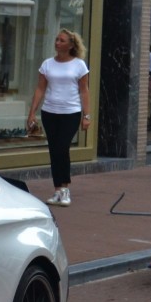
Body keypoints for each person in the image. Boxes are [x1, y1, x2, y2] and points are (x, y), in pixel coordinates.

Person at [25, 29, 91, 207]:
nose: (57, 43)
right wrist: (32, 112)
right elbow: (40, 89)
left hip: (70, 112)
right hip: (49, 112)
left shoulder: (79, 65)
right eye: (56, 40)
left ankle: (65, 188)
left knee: (62, 147)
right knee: (54, 150)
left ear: (71, 45)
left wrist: (87, 115)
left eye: (61, 41)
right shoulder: (47, 64)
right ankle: (57, 190)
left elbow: (84, 91)